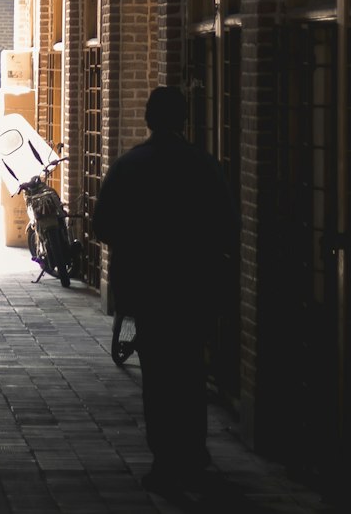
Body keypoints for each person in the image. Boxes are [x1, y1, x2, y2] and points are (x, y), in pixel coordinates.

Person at [92, 86, 237, 496]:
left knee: (157, 376)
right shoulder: (205, 167)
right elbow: (228, 226)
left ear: (148, 119)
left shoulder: (129, 166)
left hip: (148, 288)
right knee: (191, 371)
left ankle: (165, 459)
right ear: (184, 120)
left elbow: (102, 225)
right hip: (194, 287)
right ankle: (193, 452)